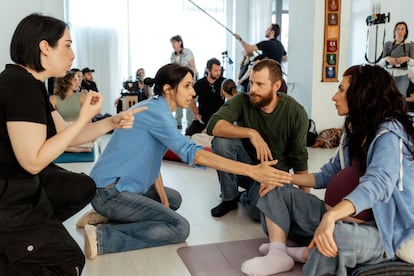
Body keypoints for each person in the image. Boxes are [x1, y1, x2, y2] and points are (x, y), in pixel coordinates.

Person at [78, 63, 293, 260]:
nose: (193, 91)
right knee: (179, 227)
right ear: (168, 89)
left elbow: (151, 162)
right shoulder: (158, 115)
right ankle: (102, 237)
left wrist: (162, 201)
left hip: (116, 187)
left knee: (173, 200)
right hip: (109, 191)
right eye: (188, 86)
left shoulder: (155, 107)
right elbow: (195, 154)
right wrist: (252, 171)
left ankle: (105, 215)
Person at [0, 13, 145, 276]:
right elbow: (32, 161)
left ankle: (34, 234)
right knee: (68, 263)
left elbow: (68, 134)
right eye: (67, 45)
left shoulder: (31, 83)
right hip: (10, 197)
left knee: (82, 187)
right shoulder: (19, 87)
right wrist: (84, 119)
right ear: (45, 47)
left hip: (24, 183)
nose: (73, 55)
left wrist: (112, 121)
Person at [241, 64, 414, 276]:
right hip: (336, 214)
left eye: (341, 90)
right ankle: (278, 254)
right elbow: (326, 175)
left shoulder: (390, 134)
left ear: (362, 94)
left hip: (382, 231)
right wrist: (282, 177)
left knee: (336, 237)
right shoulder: (355, 131)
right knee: (273, 189)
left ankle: (303, 253)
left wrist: (331, 218)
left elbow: (378, 184)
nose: (334, 97)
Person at [206, 59, 309, 221]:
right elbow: (213, 125)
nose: (252, 89)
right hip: (245, 167)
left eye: (260, 84)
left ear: (276, 85)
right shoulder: (242, 100)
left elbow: (300, 161)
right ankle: (230, 198)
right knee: (221, 141)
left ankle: (245, 196)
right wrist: (251, 133)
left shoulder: (296, 113)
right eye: (251, 83)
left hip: (273, 174)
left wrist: (306, 204)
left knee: (257, 213)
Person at [185, 58, 225, 136]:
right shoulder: (200, 83)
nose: (218, 73)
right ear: (208, 70)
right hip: (203, 119)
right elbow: (191, 97)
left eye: (219, 70)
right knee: (189, 134)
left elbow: (232, 98)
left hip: (219, 119)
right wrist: (196, 113)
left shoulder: (223, 82)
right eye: (216, 71)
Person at [379, 21, 414, 96]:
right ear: (394, 31)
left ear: (406, 32)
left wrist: (407, 59)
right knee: (386, 98)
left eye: (402, 29)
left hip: (402, 76)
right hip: (388, 76)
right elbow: (380, 63)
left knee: (400, 99)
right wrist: (387, 59)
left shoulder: (410, 44)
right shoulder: (388, 44)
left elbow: (413, 62)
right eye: (398, 29)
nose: (400, 31)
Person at [170, 35, 197, 129]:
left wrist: (193, 80)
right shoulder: (172, 55)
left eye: (174, 42)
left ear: (179, 42)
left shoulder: (187, 52)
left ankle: (189, 124)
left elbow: (193, 68)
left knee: (189, 102)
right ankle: (178, 123)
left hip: (188, 81)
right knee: (177, 101)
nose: (172, 45)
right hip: (178, 83)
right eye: (171, 43)